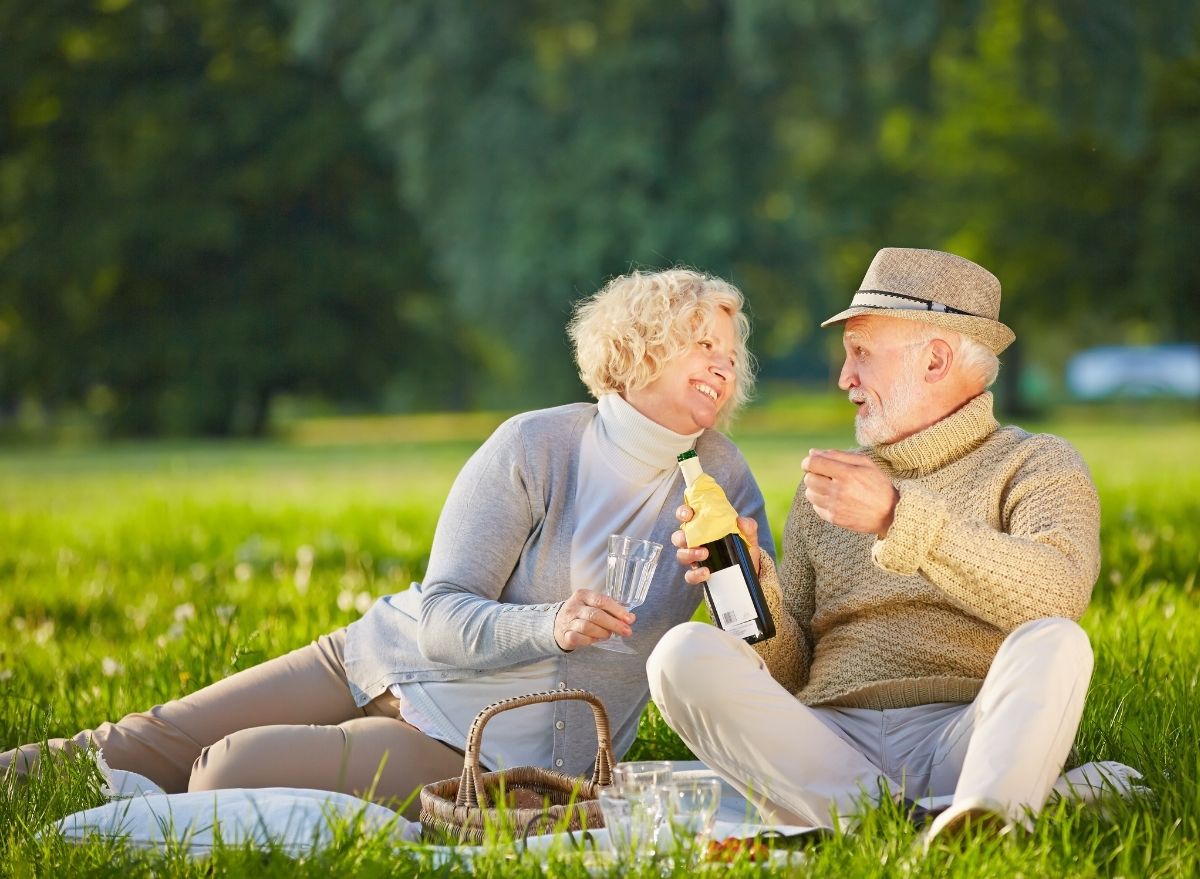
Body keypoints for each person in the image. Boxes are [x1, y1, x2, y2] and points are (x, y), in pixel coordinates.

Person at [1, 268, 774, 819]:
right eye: (701, 340)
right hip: (387, 653)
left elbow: (755, 646)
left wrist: (752, 579)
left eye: (730, 351)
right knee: (152, 737)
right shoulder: (536, 445)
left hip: (472, 746)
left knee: (223, 769)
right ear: (640, 348)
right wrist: (550, 623)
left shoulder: (721, 477)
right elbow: (441, 611)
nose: (724, 360)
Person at [647, 248, 1100, 843]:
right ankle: (924, 822)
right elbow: (791, 672)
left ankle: (973, 814)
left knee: (1056, 640)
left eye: (861, 353)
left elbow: (1057, 594)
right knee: (680, 655)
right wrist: (754, 587)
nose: (845, 379)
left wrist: (896, 515)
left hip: (968, 734)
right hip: (829, 747)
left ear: (936, 359)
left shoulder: (1035, 463)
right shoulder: (826, 494)